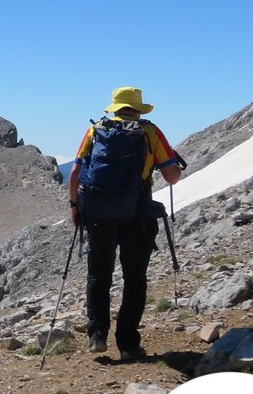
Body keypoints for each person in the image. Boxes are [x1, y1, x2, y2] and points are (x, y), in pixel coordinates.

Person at [68, 87, 182, 360]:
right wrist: (173, 159)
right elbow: (172, 178)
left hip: (99, 212)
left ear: (115, 107)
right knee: (134, 277)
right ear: (139, 109)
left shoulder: (96, 130)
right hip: (137, 212)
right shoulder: (150, 132)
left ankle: (97, 336)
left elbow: (75, 172)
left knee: (99, 274)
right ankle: (128, 344)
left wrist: (75, 207)